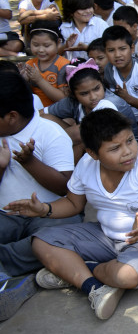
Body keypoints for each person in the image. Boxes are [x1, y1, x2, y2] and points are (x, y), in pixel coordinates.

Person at [6, 109, 138, 320]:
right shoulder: (86, 165)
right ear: (92, 153)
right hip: (106, 236)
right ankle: (94, 288)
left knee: (128, 275)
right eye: (115, 148)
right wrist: (44, 209)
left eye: (130, 141)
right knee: (41, 241)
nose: (127, 151)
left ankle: (80, 271)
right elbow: (73, 203)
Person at [0, 71, 79, 288]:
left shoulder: (49, 132)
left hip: (49, 214)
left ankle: (6, 264)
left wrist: (29, 162)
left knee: (59, 235)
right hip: (6, 215)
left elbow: (65, 187)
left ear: (12, 117)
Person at [21, 21, 69, 107]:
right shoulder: (30, 64)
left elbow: (63, 99)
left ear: (58, 43)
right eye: (35, 45)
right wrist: (23, 80)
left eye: (46, 46)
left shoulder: (63, 65)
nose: (41, 50)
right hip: (35, 110)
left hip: (58, 111)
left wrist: (39, 80)